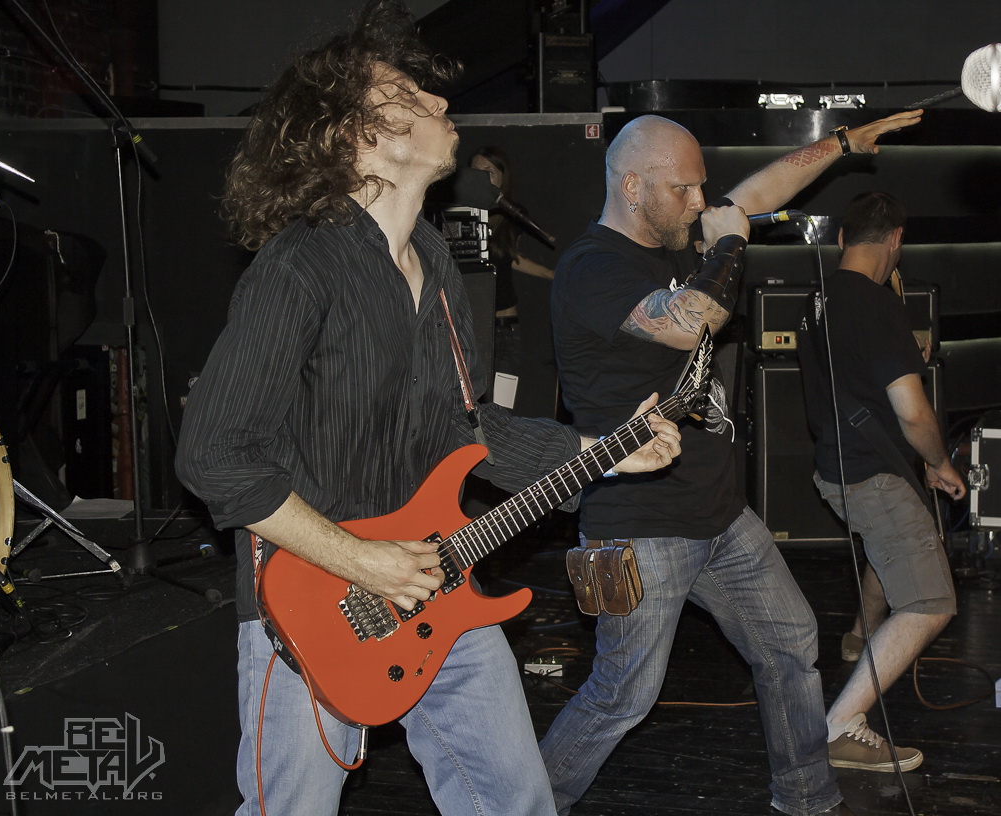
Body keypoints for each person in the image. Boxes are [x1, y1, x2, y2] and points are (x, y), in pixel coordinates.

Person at [173, 3, 681, 815]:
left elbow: (466, 429)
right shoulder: (299, 267)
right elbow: (213, 455)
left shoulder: (438, 262)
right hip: (309, 609)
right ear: (357, 134)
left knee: (515, 802)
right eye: (408, 94)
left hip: (439, 589)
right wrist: (359, 559)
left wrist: (602, 449)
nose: (441, 101)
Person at [542, 111, 920, 816]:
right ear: (632, 186)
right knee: (622, 694)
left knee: (790, 643)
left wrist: (841, 145)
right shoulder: (593, 268)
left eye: (701, 187)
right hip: (638, 527)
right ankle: (522, 804)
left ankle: (807, 798)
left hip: (718, 515)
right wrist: (728, 246)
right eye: (683, 189)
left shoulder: (678, 234)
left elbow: (759, 191)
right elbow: (688, 322)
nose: (698, 202)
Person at [796, 191, 966, 773]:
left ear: (842, 238)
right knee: (930, 602)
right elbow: (912, 412)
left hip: (837, 469)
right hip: (874, 476)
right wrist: (940, 463)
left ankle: (859, 635)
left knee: (884, 547)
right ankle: (841, 726)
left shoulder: (817, 301)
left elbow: (851, 372)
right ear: (895, 239)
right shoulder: (879, 305)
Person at [468, 146, 555, 403]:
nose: (482, 177)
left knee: (503, 404)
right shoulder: (458, 213)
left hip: (504, 326)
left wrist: (551, 274)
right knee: (471, 404)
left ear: (502, 177)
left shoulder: (510, 215)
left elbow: (511, 257)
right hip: (471, 326)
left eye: (489, 171)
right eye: (475, 172)